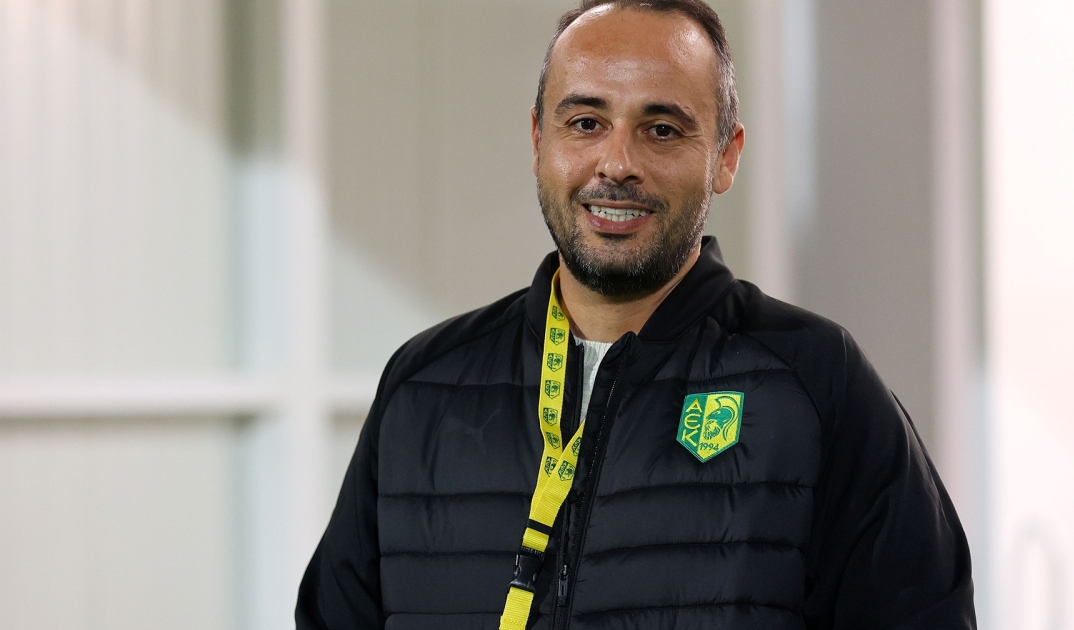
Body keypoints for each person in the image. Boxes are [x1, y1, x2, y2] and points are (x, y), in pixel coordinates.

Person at [296, 1, 976, 628]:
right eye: (585, 123)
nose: (617, 163)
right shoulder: (424, 387)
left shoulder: (816, 382)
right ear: (538, 140)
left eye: (662, 130)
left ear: (725, 157)